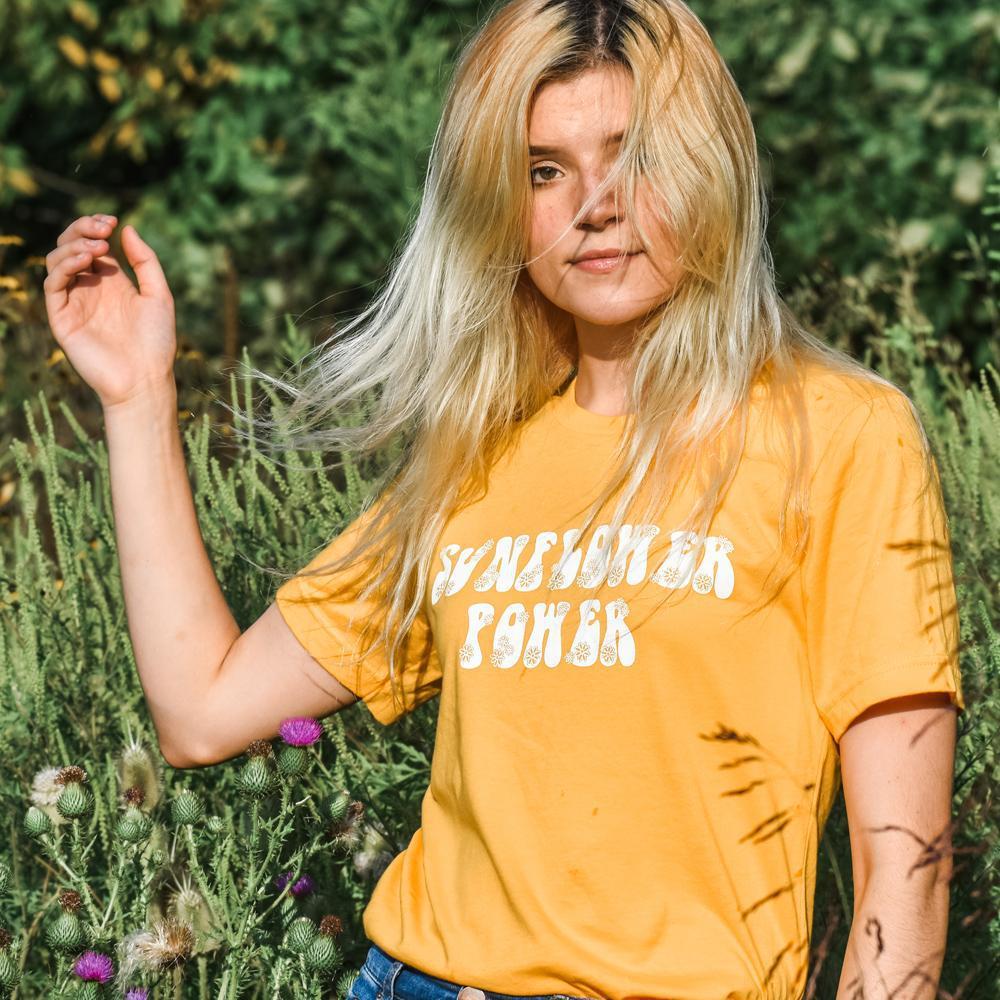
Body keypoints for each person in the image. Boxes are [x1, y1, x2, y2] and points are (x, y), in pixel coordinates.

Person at [43, 0, 965, 997]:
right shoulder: (475, 460)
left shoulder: (842, 434)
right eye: (543, 170)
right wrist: (138, 399)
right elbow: (202, 710)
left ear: (711, 163)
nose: (593, 204)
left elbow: (903, 864)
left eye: (635, 154)